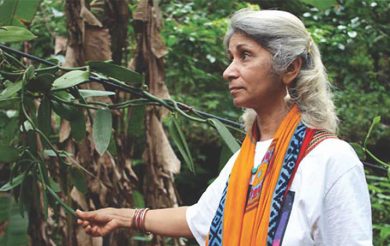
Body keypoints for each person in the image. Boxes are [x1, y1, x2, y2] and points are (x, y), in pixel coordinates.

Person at [77, 9, 372, 245]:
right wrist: (124, 216)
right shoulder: (244, 158)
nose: (228, 71)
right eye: (231, 57)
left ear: (290, 68)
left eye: (245, 55)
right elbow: (201, 218)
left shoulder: (331, 159)